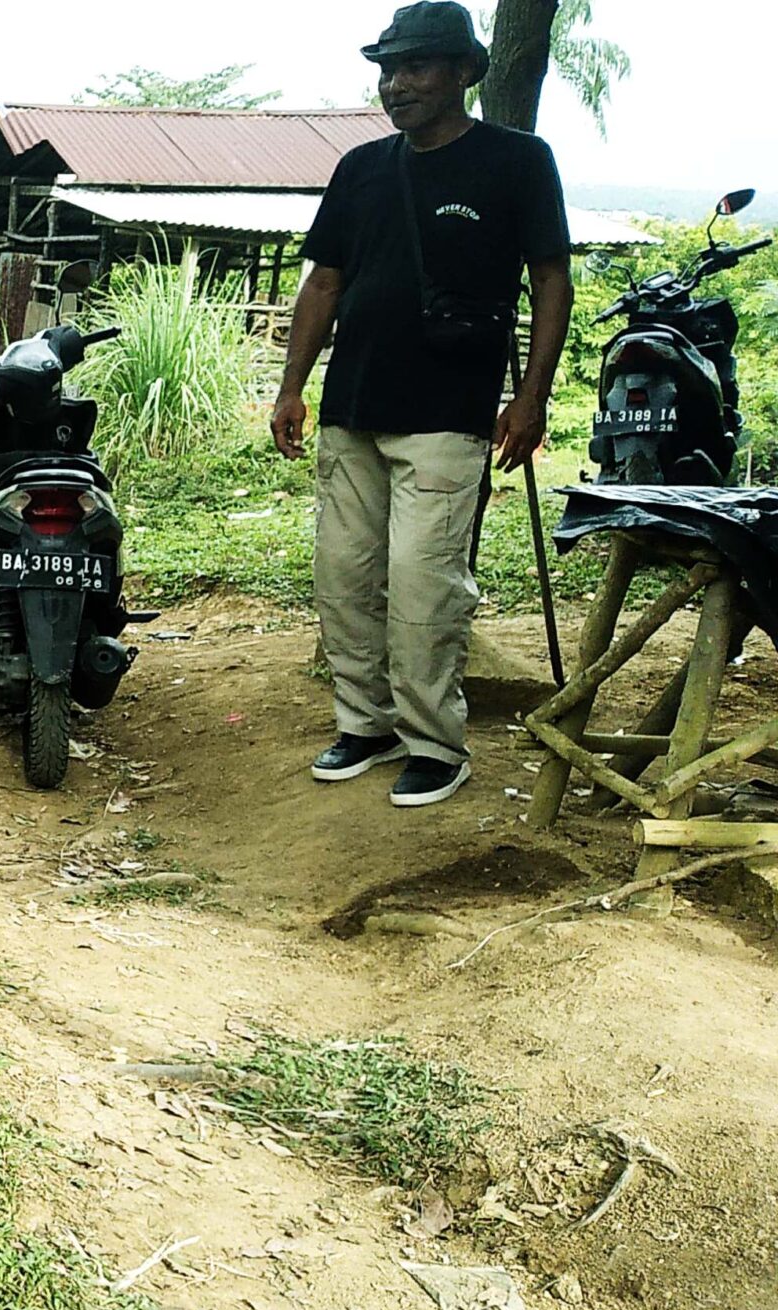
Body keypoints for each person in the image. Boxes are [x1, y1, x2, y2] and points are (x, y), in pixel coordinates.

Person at [271, 0, 572, 808]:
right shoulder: (362, 168)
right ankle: (364, 724)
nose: (394, 85)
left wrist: (531, 396)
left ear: (465, 74)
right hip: (352, 407)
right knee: (344, 576)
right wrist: (293, 385)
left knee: (423, 584)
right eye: (386, 71)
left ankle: (436, 744)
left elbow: (550, 277)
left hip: (448, 413)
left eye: (414, 68)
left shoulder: (516, 162)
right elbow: (324, 280)